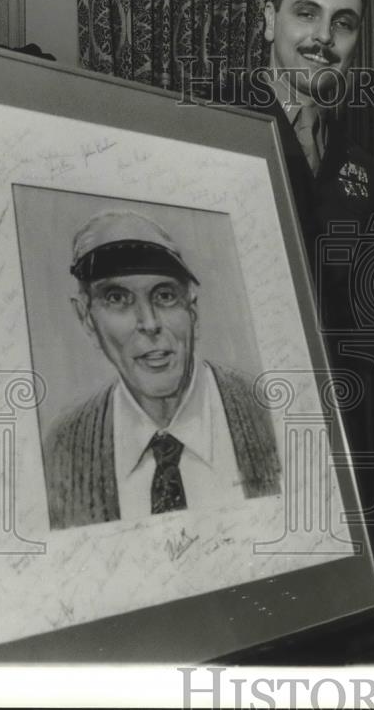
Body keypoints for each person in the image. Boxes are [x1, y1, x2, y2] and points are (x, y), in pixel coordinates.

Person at [45, 209, 281, 530]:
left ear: (192, 310)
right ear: (86, 317)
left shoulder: (269, 411)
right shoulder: (62, 452)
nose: (150, 323)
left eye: (165, 296)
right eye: (117, 298)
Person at [235, 0, 374, 288]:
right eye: (307, 14)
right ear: (271, 21)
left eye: (343, 23)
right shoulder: (216, 118)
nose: (325, 36)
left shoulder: (363, 166)